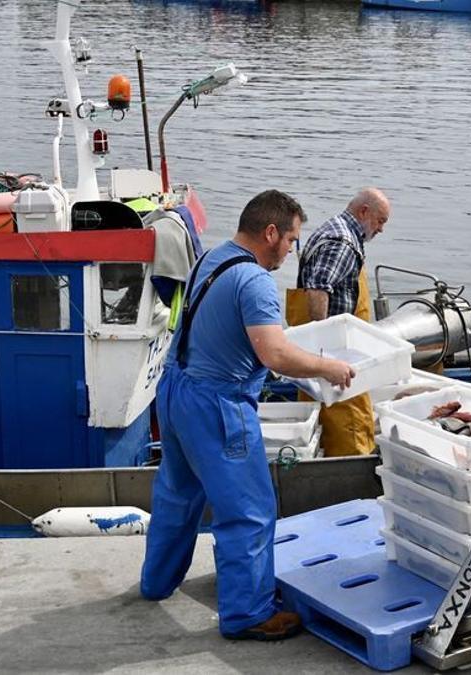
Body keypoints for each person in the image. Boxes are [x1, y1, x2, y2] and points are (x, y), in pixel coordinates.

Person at [140, 190, 355, 641]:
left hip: (177, 391)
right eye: (292, 240)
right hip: (218, 404)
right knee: (250, 511)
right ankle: (248, 614)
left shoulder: (212, 257)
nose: (293, 250)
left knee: (177, 496)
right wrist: (329, 367)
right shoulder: (256, 282)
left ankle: (156, 583)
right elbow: (275, 355)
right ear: (271, 232)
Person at [285, 187, 391, 457]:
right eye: (380, 221)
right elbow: (319, 288)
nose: (381, 229)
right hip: (333, 358)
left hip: (316, 355)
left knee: (321, 422)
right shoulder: (343, 241)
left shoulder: (335, 228)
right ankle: (350, 485)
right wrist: (324, 354)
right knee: (350, 429)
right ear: (364, 211)